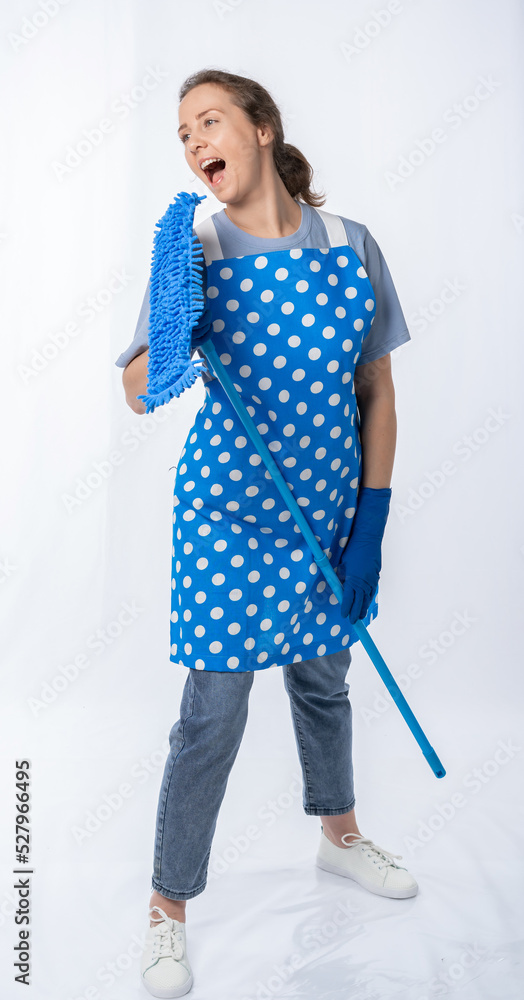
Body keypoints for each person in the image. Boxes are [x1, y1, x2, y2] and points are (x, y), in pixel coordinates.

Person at [116, 68, 416, 999]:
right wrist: (175, 324)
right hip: (226, 518)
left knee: (324, 681)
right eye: (182, 134)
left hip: (324, 511)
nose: (195, 142)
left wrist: (371, 524)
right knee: (213, 714)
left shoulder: (351, 243)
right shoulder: (197, 252)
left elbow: (376, 391)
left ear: (260, 129)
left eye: (209, 120)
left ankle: (339, 834)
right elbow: (134, 388)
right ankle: (167, 911)